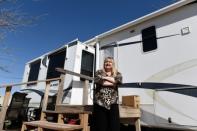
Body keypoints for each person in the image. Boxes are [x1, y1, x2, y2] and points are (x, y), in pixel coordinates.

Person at [93, 57, 122, 131]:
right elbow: (102, 82)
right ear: (104, 64)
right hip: (100, 103)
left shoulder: (117, 73)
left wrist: (104, 78)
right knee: (101, 126)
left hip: (113, 102)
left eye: (110, 62)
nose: (108, 63)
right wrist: (112, 81)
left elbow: (118, 81)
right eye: (106, 62)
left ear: (113, 64)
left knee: (114, 126)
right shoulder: (98, 72)